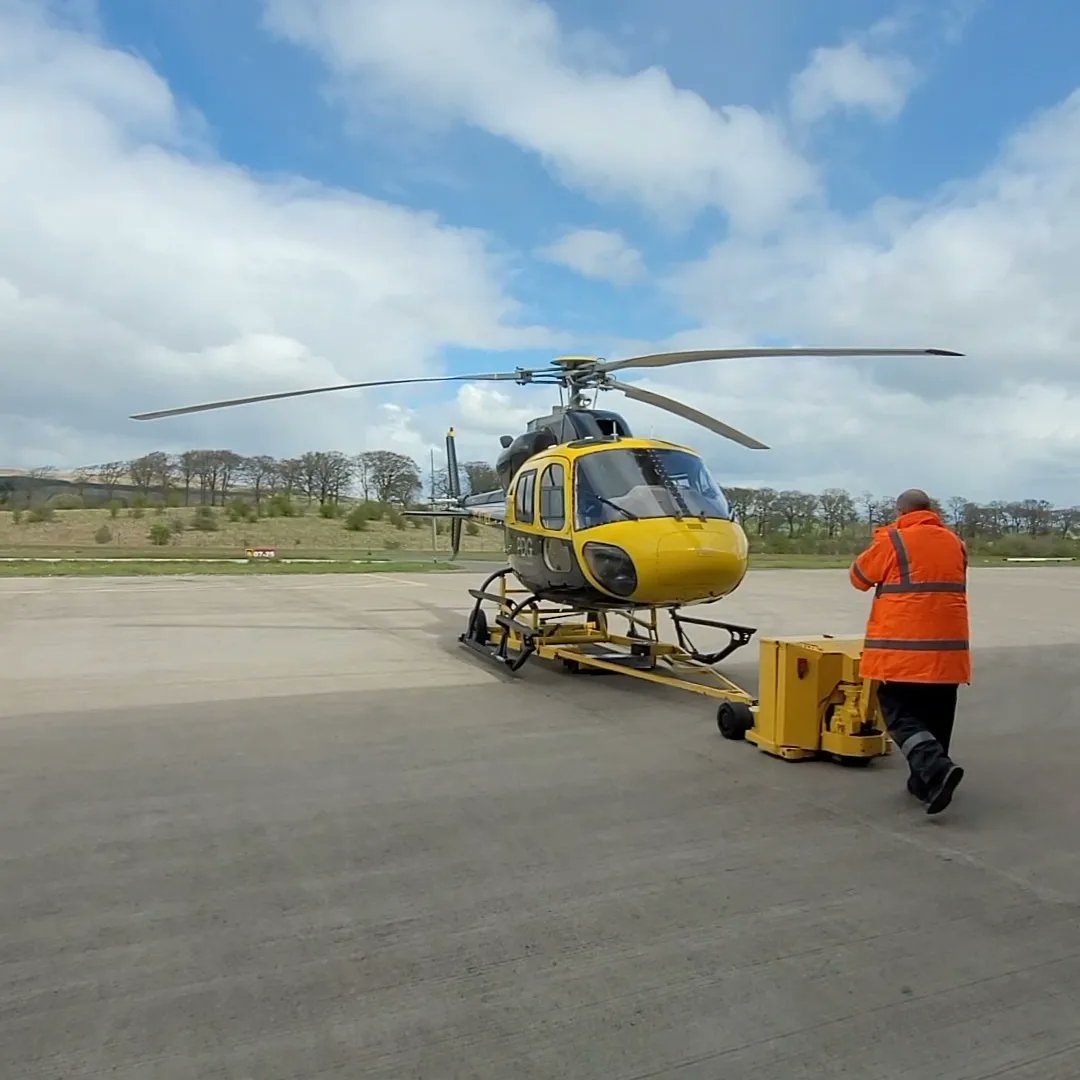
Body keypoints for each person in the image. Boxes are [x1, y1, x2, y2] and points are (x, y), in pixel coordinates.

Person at [849, 488, 970, 815]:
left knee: (899, 713)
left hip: (904, 654)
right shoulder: (956, 543)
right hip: (948, 654)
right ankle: (926, 783)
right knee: (937, 718)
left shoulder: (894, 541)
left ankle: (936, 769)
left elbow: (858, 577)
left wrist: (883, 536)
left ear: (900, 512)